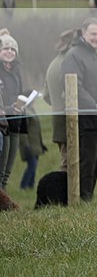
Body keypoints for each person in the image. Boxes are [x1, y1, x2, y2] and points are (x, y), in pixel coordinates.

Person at [60, 17, 97, 201]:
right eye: (93, 34)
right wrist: (95, 106)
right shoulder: (74, 55)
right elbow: (74, 85)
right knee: (86, 163)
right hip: (85, 120)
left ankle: (88, 199)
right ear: (84, 33)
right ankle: (81, 200)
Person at [43, 30, 76, 171]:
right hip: (70, 122)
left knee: (66, 161)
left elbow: (46, 96)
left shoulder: (53, 64)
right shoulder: (69, 64)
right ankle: (66, 193)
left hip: (58, 122)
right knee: (70, 165)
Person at [0, 31, 26, 191]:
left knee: (8, 171)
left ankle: (3, 199)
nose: (10, 52)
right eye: (5, 48)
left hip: (16, 124)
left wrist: (23, 105)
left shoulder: (17, 72)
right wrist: (11, 108)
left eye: (13, 49)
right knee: (1, 169)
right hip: (3, 126)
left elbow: (19, 94)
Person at [18, 92, 46, 190]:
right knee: (32, 166)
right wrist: (25, 145)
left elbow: (36, 129)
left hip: (36, 144)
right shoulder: (25, 112)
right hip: (29, 144)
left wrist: (41, 144)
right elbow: (22, 131)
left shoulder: (32, 110)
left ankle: (30, 186)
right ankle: (23, 186)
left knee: (34, 166)